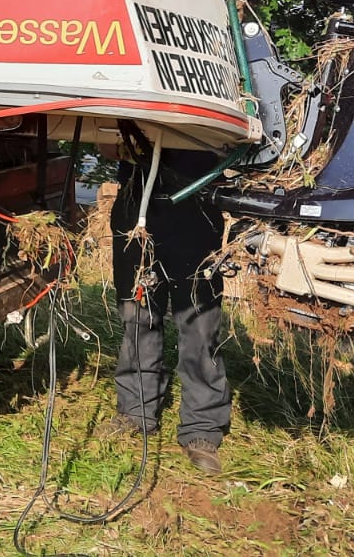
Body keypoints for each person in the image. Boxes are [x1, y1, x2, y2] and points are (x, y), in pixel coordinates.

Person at [109, 147, 231, 474]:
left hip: (196, 201)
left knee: (199, 321)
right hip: (136, 202)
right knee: (138, 315)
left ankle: (202, 425)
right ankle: (136, 410)